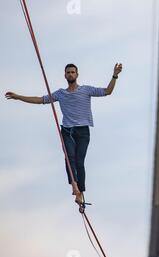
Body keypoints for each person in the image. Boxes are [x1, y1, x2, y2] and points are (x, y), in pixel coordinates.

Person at [5, 63, 123, 207]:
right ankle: (75, 187)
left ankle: (81, 192)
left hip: (83, 131)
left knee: (79, 162)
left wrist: (115, 75)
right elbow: (40, 99)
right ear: (65, 75)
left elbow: (107, 91)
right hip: (67, 130)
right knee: (69, 159)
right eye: (68, 72)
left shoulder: (86, 90)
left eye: (73, 72)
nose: (71, 74)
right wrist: (18, 97)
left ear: (77, 74)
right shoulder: (60, 93)